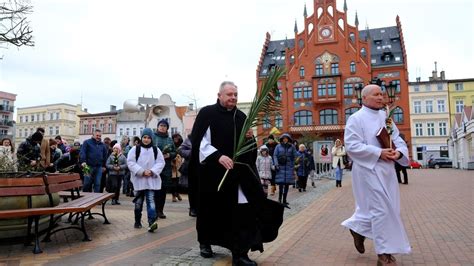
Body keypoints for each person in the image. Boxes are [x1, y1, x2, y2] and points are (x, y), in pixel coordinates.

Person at [190, 81, 267, 265]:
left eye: (235, 95)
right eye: (229, 94)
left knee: (238, 213)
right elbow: (200, 142)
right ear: (220, 95)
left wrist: (250, 139)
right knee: (209, 209)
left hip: (235, 174)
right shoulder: (207, 114)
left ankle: (238, 251)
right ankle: (205, 242)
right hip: (212, 174)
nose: (233, 97)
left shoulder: (240, 116)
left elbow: (249, 149)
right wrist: (218, 156)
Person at [341, 84, 411, 265]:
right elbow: (352, 146)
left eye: (382, 94)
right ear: (364, 98)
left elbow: (397, 139)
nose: (381, 97)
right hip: (367, 170)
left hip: (387, 170)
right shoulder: (355, 119)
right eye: (376, 94)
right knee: (381, 210)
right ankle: (384, 254)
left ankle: (357, 229)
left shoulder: (386, 118)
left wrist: (399, 153)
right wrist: (378, 152)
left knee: (389, 209)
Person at [127, 128, 165, 232]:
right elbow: (130, 162)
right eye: (144, 137)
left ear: (151, 139)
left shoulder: (156, 150)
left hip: (151, 181)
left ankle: (151, 222)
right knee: (138, 202)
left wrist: (152, 171)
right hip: (139, 181)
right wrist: (141, 171)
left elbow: (161, 162)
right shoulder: (135, 149)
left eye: (148, 138)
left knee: (151, 201)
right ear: (141, 138)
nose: (146, 140)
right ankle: (137, 221)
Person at [152, 119, 176, 219]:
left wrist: (169, 155)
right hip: (154, 167)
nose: (162, 127)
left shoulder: (170, 139)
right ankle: (153, 210)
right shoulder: (153, 137)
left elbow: (175, 152)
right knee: (154, 190)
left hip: (166, 168)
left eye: (164, 126)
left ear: (167, 128)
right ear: (157, 127)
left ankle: (160, 211)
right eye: (161, 125)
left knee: (163, 190)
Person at [273, 133, 297, 206]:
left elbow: (295, 156)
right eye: (284, 138)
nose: (285, 139)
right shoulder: (278, 146)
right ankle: (279, 199)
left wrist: (293, 164)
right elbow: (275, 155)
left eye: (286, 138)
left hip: (289, 167)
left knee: (287, 184)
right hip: (280, 167)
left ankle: (284, 200)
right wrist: (276, 164)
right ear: (282, 139)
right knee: (281, 184)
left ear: (288, 139)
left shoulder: (292, 147)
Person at [177, 135, 197, 217]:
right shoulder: (190, 138)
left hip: (205, 167)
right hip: (191, 167)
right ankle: (193, 208)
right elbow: (180, 150)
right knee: (192, 188)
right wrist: (192, 153)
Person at [171, 133, 183, 202]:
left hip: (179, 165)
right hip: (172, 165)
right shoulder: (171, 145)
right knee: (173, 182)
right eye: (174, 138)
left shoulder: (181, 146)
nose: (176, 139)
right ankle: (173, 196)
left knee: (178, 182)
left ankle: (177, 193)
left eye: (177, 138)